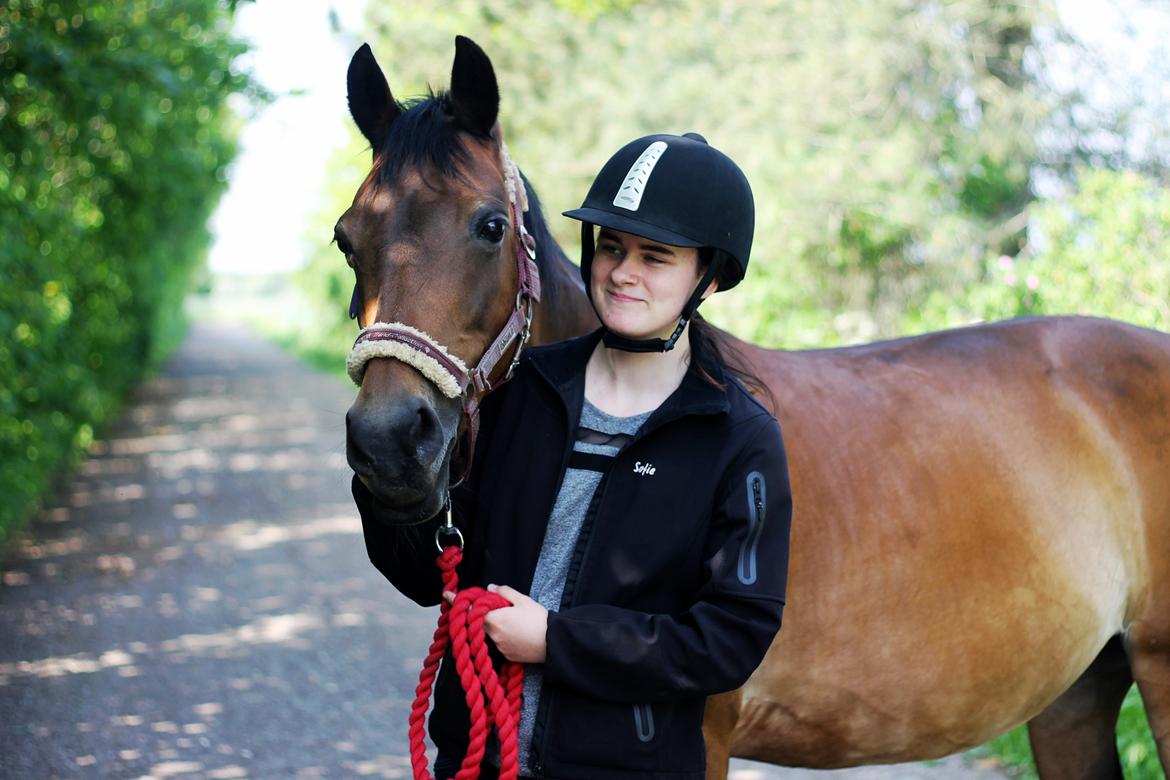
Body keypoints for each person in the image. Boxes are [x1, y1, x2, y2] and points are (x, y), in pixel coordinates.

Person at [354, 132, 792, 779]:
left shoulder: (738, 438)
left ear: (711, 275)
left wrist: (557, 642)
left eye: (656, 257)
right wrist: (391, 481)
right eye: (611, 247)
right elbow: (429, 577)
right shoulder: (517, 392)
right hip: (478, 759)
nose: (622, 272)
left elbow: (729, 640)